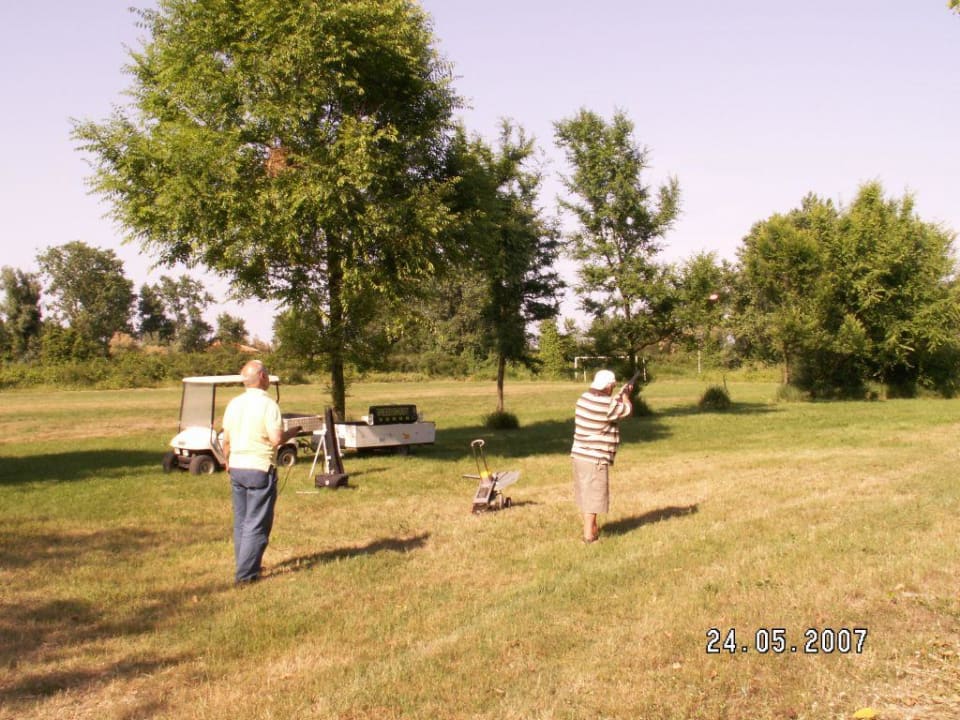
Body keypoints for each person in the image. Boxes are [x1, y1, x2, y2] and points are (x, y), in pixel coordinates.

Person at [221, 360, 301, 585]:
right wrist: (293, 432)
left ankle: (247, 565)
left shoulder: (234, 404)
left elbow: (226, 439)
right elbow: (276, 439)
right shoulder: (269, 405)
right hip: (259, 468)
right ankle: (246, 576)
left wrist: (227, 461)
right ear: (264, 378)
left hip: (236, 466)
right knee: (257, 523)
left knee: (242, 521)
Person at [570, 369, 633, 543]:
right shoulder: (607, 404)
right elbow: (627, 411)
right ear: (608, 386)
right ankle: (588, 536)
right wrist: (626, 395)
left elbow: (609, 407)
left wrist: (616, 398)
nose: (613, 388)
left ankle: (593, 528)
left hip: (579, 454)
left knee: (585, 494)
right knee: (594, 496)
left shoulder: (584, 398)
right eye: (612, 386)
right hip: (594, 457)